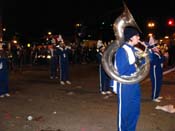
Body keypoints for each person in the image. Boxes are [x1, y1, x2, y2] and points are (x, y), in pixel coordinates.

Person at [112, 27, 143, 131]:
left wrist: (148, 55)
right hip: (125, 84)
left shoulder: (134, 50)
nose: (139, 38)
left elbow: (143, 65)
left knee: (135, 110)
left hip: (134, 83)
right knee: (124, 113)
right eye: (137, 36)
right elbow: (122, 70)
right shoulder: (122, 50)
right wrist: (135, 64)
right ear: (130, 37)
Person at [147, 35, 169, 102]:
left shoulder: (157, 53)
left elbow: (160, 60)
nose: (157, 47)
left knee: (159, 83)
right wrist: (164, 57)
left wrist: (164, 57)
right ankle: (154, 97)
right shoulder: (152, 54)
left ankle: (157, 95)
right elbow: (156, 62)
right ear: (153, 48)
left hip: (159, 71)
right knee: (156, 84)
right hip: (154, 71)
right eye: (156, 46)